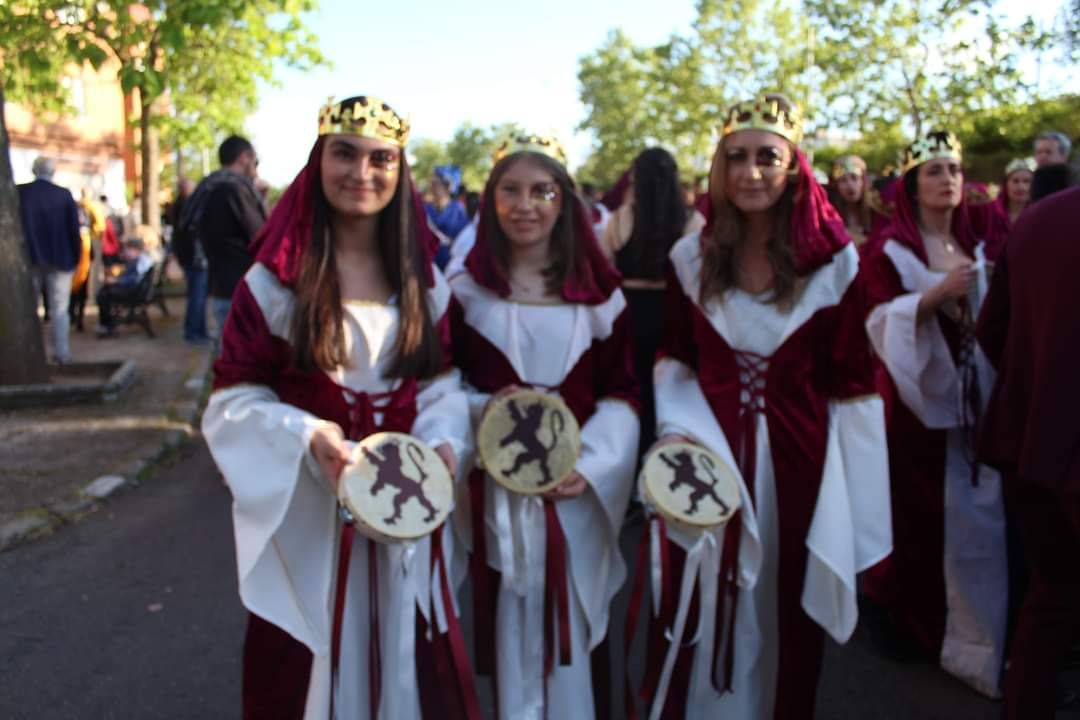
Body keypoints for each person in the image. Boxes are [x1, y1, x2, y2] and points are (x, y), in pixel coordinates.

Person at [201, 95, 478, 719]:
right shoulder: (274, 282)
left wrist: (441, 442)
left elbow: (440, 383)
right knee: (303, 672)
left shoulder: (423, 284)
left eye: (382, 158)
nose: (362, 172)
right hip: (312, 520)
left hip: (402, 519)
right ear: (317, 161)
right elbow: (233, 399)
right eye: (345, 153)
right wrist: (306, 436)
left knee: (406, 668)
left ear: (400, 170)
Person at [636, 94, 889, 719]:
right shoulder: (689, 260)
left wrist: (855, 507)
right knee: (699, 602)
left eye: (767, 158)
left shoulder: (836, 266)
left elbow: (853, 382)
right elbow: (674, 355)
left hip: (798, 467)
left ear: (794, 167)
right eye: (737, 158)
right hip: (704, 457)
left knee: (783, 607)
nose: (751, 172)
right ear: (719, 168)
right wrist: (676, 430)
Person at [450, 132, 639, 719]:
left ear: (563, 201)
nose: (525, 205)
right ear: (491, 199)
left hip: (574, 495)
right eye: (511, 190)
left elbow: (623, 395)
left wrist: (591, 465)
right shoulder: (463, 294)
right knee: (509, 615)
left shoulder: (601, 299)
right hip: (497, 494)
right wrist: (484, 415)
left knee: (571, 626)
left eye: (541, 190)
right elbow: (439, 389)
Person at [861, 130, 1008, 698]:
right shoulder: (890, 251)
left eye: (954, 169)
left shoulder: (981, 248)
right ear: (912, 187)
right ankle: (902, 615)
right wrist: (930, 297)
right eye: (933, 171)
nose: (948, 179)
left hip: (976, 402)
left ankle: (973, 633)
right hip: (913, 402)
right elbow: (875, 322)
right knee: (914, 514)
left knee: (977, 516)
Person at [976, 186, 1080, 719]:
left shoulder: (1039, 218)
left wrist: (1040, 390)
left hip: (1032, 445)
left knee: (1050, 600)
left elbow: (992, 329)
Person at [600, 147, 706, 458]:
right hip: (675, 315)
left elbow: (607, 264)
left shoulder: (622, 217)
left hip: (631, 313)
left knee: (636, 388)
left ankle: (634, 459)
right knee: (673, 390)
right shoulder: (692, 219)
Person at [189, 135, 266, 334]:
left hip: (219, 284)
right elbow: (261, 236)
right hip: (240, 287)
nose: (255, 166)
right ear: (244, 157)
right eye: (255, 160)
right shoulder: (235, 189)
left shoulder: (208, 185)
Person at [18, 156, 82, 363]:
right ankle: (61, 353)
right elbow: (74, 231)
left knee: (30, 309)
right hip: (60, 259)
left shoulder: (22, 193)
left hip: (31, 258)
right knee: (59, 310)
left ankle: (30, 354)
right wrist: (76, 257)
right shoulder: (62, 195)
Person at [172, 178, 211, 344]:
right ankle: (194, 332)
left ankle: (199, 331)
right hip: (195, 259)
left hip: (192, 258)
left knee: (198, 296)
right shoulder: (187, 207)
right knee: (197, 296)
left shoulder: (183, 206)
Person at [94, 237, 154, 337]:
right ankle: (106, 323)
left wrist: (116, 281)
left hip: (134, 292)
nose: (125, 253)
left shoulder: (140, 262)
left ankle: (106, 325)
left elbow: (134, 280)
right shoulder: (141, 260)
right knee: (104, 291)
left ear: (136, 250)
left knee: (103, 294)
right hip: (136, 290)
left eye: (127, 250)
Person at [987, 157, 1035, 260]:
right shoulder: (991, 212)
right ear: (1006, 184)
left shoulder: (1039, 215)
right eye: (1015, 181)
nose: (1021, 187)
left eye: (1027, 181)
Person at [425, 165, 469, 270]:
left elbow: (464, 239)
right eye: (431, 183)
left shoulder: (458, 209)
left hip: (451, 265)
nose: (432, 187)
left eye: (436, 184)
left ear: (448, 186)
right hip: (429, 265)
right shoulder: (424, 209)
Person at [827, 155, 877, 247]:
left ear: (863, 181)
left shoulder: (877, 209)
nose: (850, 185)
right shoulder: (829, 213)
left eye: (854, 178)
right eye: (843, 180)